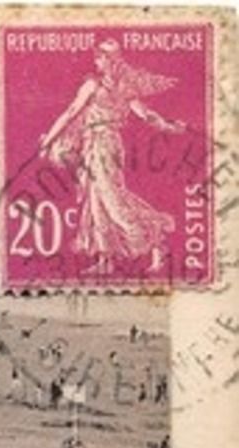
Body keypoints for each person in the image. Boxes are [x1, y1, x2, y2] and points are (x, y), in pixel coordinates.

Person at [39, 39, 187, 275]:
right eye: (99, 57)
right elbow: (72, 113)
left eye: (104, 57)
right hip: (94, 144)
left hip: (106, 145)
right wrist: (169, 126)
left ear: (113, 60)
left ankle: (157, 238)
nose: (100, 61)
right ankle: (105, 259)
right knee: (96, 201)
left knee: (113, 200)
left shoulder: (115, 87)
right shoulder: (99, 85)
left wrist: (170, 127)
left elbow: (145, 114)